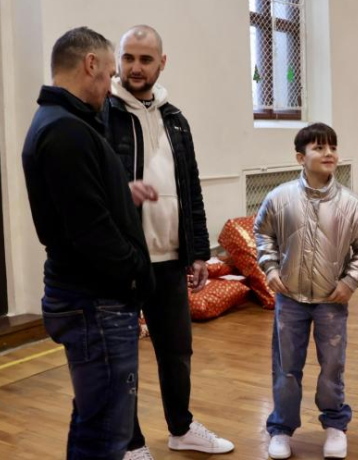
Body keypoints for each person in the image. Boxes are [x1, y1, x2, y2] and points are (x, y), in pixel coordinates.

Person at [22, 27, 158, 460]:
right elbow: (90, 233)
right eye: (111, 73)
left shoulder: (66, 125)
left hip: (89, 298)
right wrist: (136, 272)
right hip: (94, 301)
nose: (112, 85)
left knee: (95, 417)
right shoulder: (65, 131)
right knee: (105, 430)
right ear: (91, 64)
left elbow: (85, 203)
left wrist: (122, 190)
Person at [102, 25, 234, 456]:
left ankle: (181, 428)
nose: (136, 67)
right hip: (124, 263)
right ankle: (131, 442)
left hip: (172, 260)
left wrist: (198, 252)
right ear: (117, 60)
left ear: (162, 62)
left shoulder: (175, 119)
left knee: (177, 352)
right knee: (122, 361)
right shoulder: (103, 113)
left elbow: (191, 188)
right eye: (128, 58)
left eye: (145, 59)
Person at [254, 123, 358, 460]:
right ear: (300, 157)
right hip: (290, 300)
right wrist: (269, 269)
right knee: (286, 367)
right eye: (319, 148)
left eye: (333, 148)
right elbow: (263, 234)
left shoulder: (352, 205)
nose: (329, 154)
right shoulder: (279, 199)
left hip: (331, 302)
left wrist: (350, 280)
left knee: (331, 367)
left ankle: (336, 425)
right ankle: (281, 429)